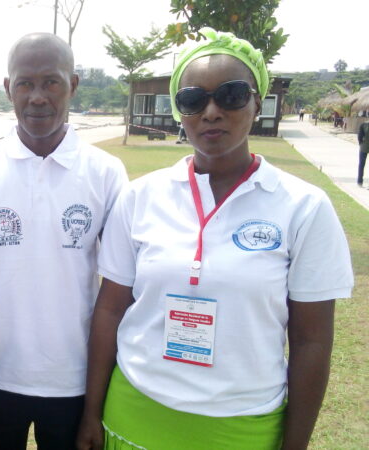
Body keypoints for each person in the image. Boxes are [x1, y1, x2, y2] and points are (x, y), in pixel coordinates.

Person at [76, 28, 354, 450]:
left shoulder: (303, 208)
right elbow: (111, 309)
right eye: (192, 99)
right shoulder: (139, 198)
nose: (211, 112)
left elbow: (310, 340)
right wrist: (91, 413)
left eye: (230, 95)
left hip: (242, 427)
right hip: (134, 414)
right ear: (179, 111)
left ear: (257, 102)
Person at [0, 33, 128, 450]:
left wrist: (95, 408)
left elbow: (118, 292)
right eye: (25, 83)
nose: (38, 97)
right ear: (8, 88)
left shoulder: (106, 172)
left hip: (72, 378)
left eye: (52, 82)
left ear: (74, 85)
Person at [358, 120, 369, 187]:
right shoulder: (363, 125)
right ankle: (360, 181)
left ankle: (359, 181)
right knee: (361, 164)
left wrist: (361, 143)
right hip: (364, 146)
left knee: (361, 164)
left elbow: (359, 136)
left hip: (363, 146)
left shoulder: (363, 124)